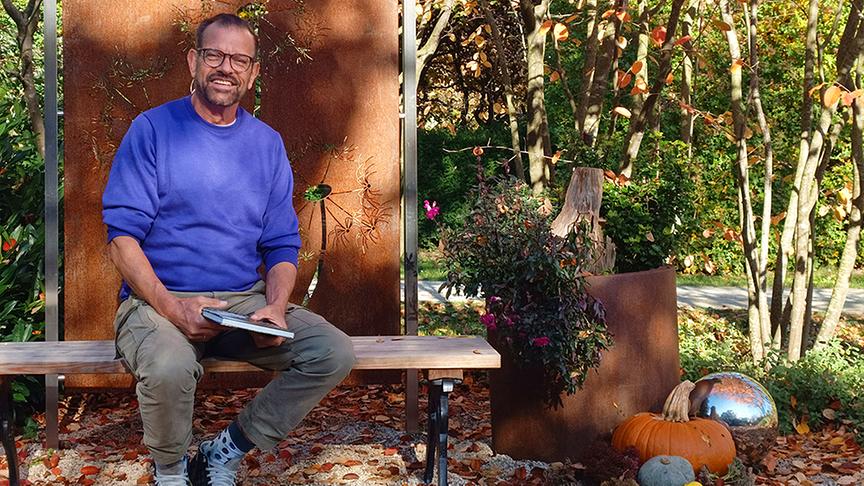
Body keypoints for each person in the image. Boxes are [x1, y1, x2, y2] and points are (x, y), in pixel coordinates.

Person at [101, 13, 355, 486]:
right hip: (156, 301)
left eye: (240, 60)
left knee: (331, 351)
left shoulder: (266, 144)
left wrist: (276, 309)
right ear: (194, 61)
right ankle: (172, 471)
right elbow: (121, 238)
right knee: (170, 366)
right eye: (214, 55)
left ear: (254, 72)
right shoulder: (153, 130)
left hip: (241, 302)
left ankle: (225, 450)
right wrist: (173, 308)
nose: (226, 68)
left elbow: (281, 243)